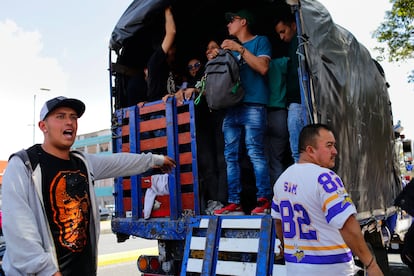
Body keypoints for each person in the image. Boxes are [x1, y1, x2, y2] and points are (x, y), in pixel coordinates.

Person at [1, 96, 176, 276]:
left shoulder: (82, 162)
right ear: (43, 126)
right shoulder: (24, 165)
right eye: (60, 116)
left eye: (73, 117)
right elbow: (19, 230)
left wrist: (154, 160)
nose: (69, 122)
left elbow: (118, 162)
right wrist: (48, 272)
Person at [271, 123, 383, 276]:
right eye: (329, 145)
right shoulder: (325, 178)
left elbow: (279, 223)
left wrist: (289, 249)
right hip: (332, 270)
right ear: (310, 150)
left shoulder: (281, 181)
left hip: (295, 269)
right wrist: (371, 264)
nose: (335, 151)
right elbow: (347, 225)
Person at [214, 9, 272, 215]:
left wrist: (239, 48)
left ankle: (264, 201)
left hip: (254, 105)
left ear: (244, 22)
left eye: (232, 20)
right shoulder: (228, 49)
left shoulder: (260, 41)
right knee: (230, 156)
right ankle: (234, 203)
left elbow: (263, 68)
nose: (228, 25)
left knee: (255, 153)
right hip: (231, 108)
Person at [274, 9, 305, 163]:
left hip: (297, 103)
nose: (281, 37)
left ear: (293, 25)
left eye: (283, 31)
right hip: (297, 103)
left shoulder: (299, 42)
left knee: (297, 152)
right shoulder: (294, 44)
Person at [266, 56, 293, 185]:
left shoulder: (254, 65)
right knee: (277, 160)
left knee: (264, 160)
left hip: (264, 112)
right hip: (280, 113)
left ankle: (270, 197)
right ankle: (281, 195)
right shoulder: (281, 62)